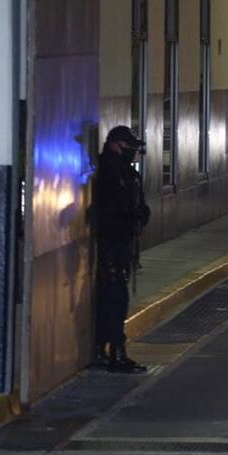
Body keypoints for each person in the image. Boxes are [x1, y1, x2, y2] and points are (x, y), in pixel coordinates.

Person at [92, 126, 151, 374]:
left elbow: (138, 203)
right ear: (116, 145)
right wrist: (130, 216)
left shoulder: (126, 172)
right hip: (111, 243)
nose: (133, 153)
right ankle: (114, 351)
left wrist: (141, 214)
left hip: (123, 242)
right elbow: (109, 211)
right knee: (115, 298)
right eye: (129, 148)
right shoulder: (107, 171)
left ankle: (108, 349)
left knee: (116, 297)